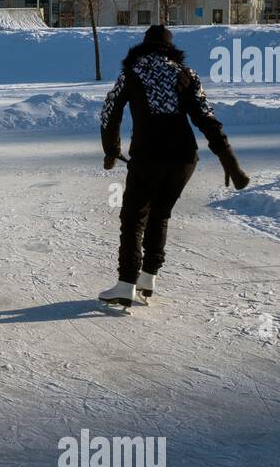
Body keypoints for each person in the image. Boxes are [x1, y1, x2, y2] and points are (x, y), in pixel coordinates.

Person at [98, 25, 249, 308]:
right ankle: (148, 277)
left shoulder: (132, 73)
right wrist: (228, 160)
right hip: (184, 159)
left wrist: (111, 152)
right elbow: (207, 118)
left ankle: (126, 284)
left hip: (149, 156)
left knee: (134, 218)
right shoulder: (187, 75)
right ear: (170, 48)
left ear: (144, 45)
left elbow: (110, 113)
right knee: (160, 214)